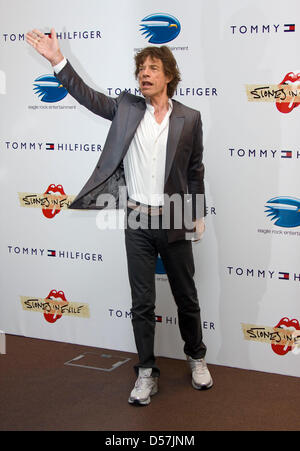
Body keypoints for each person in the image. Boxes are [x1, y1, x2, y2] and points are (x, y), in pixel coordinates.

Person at [26, 28, 213, 406]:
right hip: (137, 221)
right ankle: (146, 372)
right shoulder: (127, 108)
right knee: (142, 302)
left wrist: (197, 212)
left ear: (169, 76)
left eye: (153, 68)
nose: (144, 74)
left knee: (186, 298)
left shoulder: (190, 119)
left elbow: (195, 170)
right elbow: (88, 97)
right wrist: (56, 60)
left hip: (174, 218)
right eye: (141, 68)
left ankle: (196, 357)